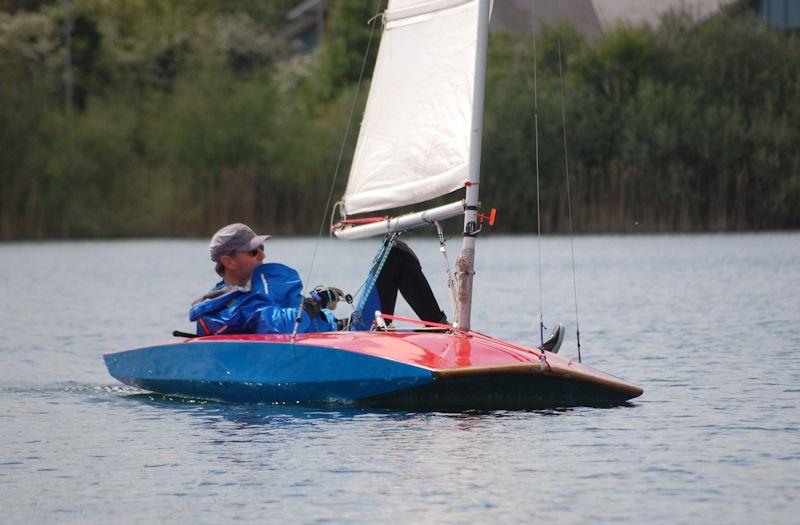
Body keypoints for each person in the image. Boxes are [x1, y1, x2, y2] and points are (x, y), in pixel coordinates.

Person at [189, 223, 446, 336]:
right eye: (253, 251)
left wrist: (320, 302)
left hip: (343, 333)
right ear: (228, 261)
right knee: (395, 253)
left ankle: (439, 329)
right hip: (350, 341)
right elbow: (285, 325)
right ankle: (440, 329)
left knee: (394, 250)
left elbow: (290, 314)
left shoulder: (251, 287)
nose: (262, 255)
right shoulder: (232, 302)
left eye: (261, 248)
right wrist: (316, 300)